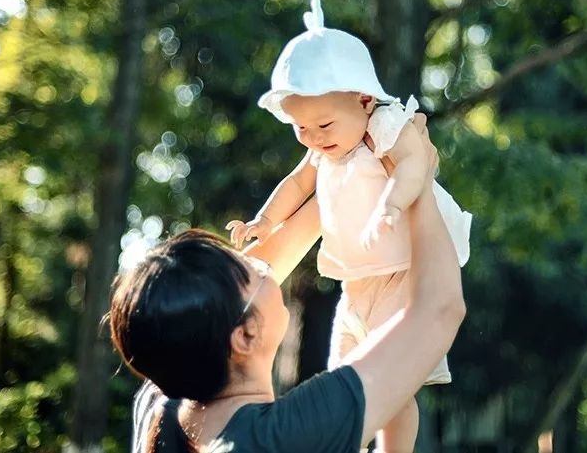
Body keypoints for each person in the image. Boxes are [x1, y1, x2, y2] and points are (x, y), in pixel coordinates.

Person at [109, 114, 465, 452]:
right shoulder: (288, 434)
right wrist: (418, 182)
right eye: (251, 272)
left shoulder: (165, 399)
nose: (263, 265)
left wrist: (355, 166)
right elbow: (439, 309)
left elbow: (294, 236)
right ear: (245, 335)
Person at [225, 0, 471, 449]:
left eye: (323, 126)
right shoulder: (324, 147)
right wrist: (264, 220)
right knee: (345, 370)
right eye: (301, 129)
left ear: (363, 100)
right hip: (357, 278)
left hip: (402, 272)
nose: (314, 139)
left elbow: (415, 165)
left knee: (394, 377)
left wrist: (392, 205)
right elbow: (297, 185)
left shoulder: (384, 126)